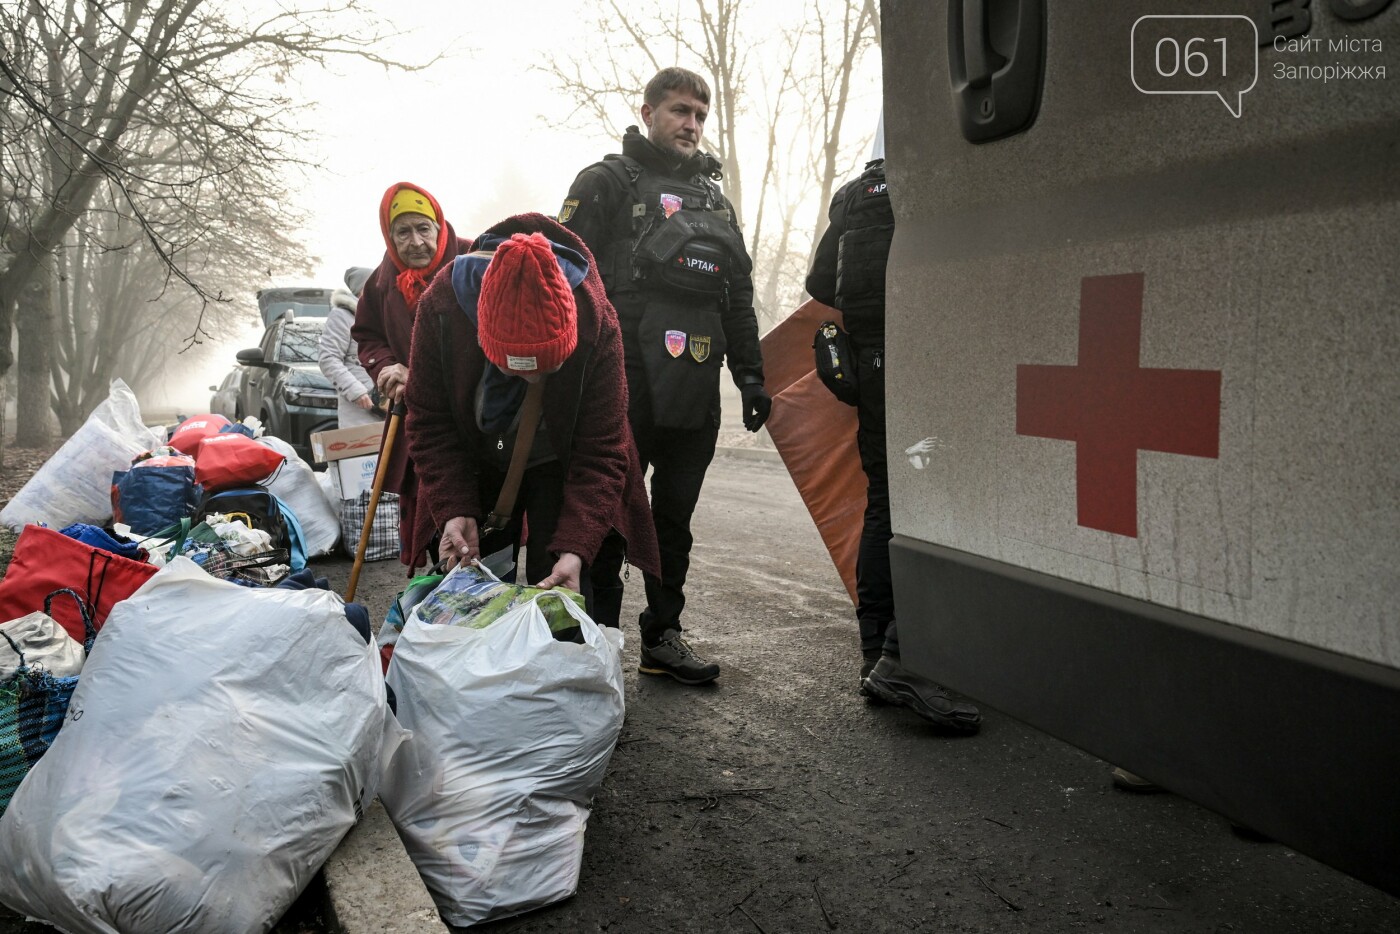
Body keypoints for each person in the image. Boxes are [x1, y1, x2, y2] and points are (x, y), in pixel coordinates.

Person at [560, 66, 770, 685]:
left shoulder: (716, 203)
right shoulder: (604, 183)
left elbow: (737, 298)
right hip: (619, 384)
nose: (692, 125)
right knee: (608, 516)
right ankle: (596, 646)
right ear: (648, 112)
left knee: (673, 520)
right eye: (680, 111)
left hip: (696, 385)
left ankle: (663, 637)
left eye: (700, 116)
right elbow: (561, 282)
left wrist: (751, 376)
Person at [804, 154, 980, 734]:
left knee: (885, 502)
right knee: (937, 499)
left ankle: (876, 654)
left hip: (873, 359)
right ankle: (906, 658)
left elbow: (818, 282)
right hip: (925, 356)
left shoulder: (853, 194)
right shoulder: (936, 176)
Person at [403, 216, 660, 606]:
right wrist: (454, 507)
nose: (532, 380)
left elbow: (602, 449)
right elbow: (429, 421)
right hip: (474, 459)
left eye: (547, 367)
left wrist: (576, 546)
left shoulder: (596, 318)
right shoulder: (443, 307)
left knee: (561, 590)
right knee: (472, 596)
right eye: (513, 369)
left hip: (560, 460)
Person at [353, 183, 468, 568]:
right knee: (428, 511)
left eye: (423, 228)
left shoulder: (471, 259)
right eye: (403, 232)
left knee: (475, 513)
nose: (416, 242)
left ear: (439, 226)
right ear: (389, 236)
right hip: (416, 416)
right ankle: (439, 587)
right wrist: (386, 365)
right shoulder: (382, 280)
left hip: (472, 416)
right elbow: (367, 334)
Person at [319, 266, 382, 429]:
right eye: (375, 283)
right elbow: (328, 359)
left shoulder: (381, 315)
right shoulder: (342, 316)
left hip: (387, 407)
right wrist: (356, 392)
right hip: (359, 409)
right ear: (362, 288)